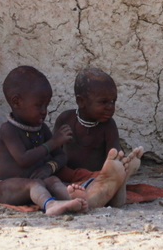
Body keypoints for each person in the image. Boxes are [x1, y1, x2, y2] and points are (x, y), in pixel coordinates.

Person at [0, 66, 87, 214]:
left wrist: (49, 167)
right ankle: (50, 206)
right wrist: (53, 143)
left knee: (53, 180)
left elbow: (61, 156)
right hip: (6, 188)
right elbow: (23, 159)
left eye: (46, 105)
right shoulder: (8, 130)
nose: (44, 110)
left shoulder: (41, 128)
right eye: (39, 105)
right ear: (16, 102)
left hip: (34, 183)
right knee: (34, 184)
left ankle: (72, 199)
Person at [53, 67, 145, 208]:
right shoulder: (65, 119)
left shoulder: (108, 126)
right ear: (81, 101)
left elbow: (114, 157)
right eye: (103, 102)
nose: (110, 107)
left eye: (113, 101)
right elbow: (54, 154)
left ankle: (118, 181)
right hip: (69, 177)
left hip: (99, 178)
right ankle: (118, 184)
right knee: (61, 180)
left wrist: (116, 166)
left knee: (107, 176)